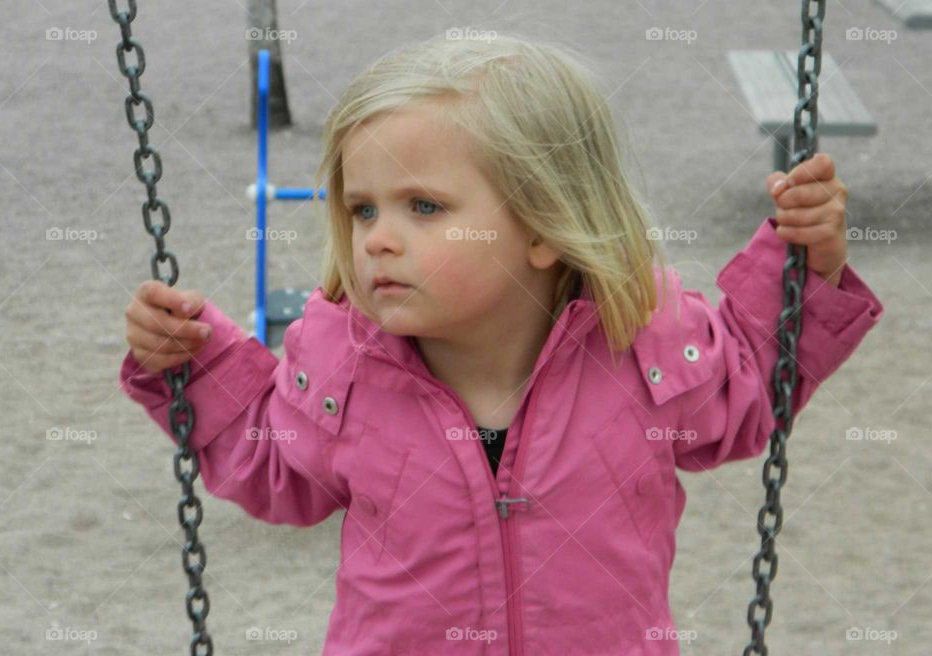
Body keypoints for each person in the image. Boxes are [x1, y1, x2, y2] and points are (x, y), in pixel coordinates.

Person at [120, 33, 884, 655]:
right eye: (361, 210)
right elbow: (278, 467)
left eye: (423, 206)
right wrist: (198, 363)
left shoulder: (641, 340)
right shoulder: (343, 360)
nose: (379, 240)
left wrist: (803, 268)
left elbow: (749, 387)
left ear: (547, 225)